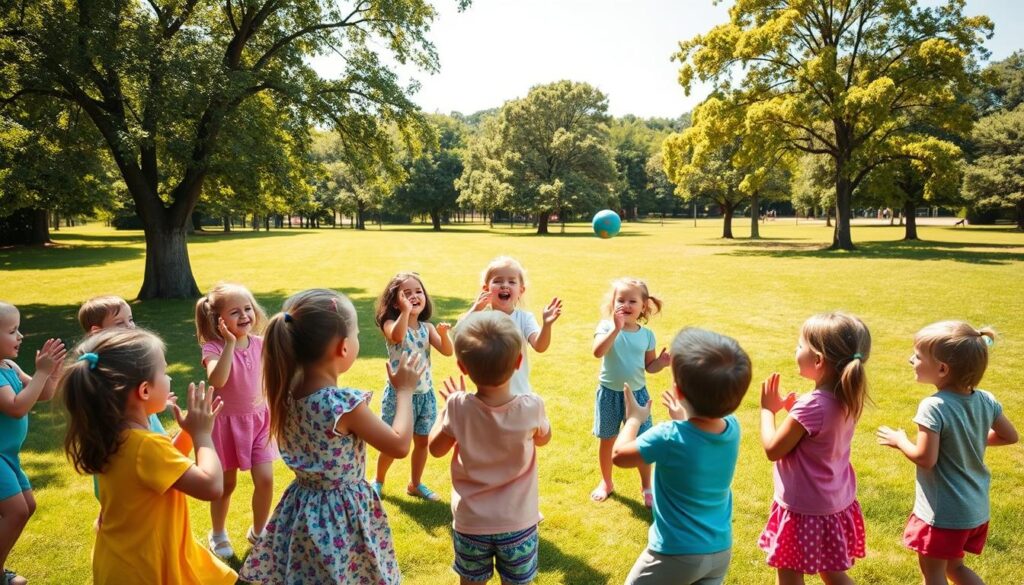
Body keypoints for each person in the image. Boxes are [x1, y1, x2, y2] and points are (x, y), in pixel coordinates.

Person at [240, 289, 424, 585]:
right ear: (343, 347)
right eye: (356, 334)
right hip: (341, 517)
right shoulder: (343, 407)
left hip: (302, 509)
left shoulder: (285, 391)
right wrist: (404, 390)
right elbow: (400, 444)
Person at [61, 328, 235, 585]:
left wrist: (186, 433)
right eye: (163, 372)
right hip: (146, 569)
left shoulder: (114, 435)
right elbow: (211, 486)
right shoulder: (145, 445)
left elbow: (163, 470)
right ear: (144, 390)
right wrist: (202, 435)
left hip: (120, 561)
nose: (169, 378)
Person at [877, 321, 1018, 585]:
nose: (911, 360)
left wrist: (900, 441)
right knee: (956, 569)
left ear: (942, 369)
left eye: (918, 356)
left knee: (933, 575)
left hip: (943, 514)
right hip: (974, 510)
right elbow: (1010, 436)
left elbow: (925, 458)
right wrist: (967, 441)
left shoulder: (934, 406)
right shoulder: (986, 399)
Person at [612, 327, 751, 585]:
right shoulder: (732, 427)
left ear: (678, 392)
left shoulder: (668, 436)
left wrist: (633, 419)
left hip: (674, 554)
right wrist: (684, 417)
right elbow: (698, 439)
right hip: (719, 550)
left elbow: (620, 456)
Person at [428, 311, 551, 585]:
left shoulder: (457, 406)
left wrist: (446, 409)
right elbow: (544, 438)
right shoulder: (532, 406)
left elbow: (436, 449)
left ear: (462, 367)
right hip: (518, 521)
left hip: (471, 522)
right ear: (519, 362)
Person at [759, 312, 871, 584]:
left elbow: (773, 449)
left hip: (803, 508)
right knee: (831, 570)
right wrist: (793, 411)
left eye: (800, 346)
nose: (795, 350)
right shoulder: (848, 395)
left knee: (789, 572)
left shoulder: (811, 406)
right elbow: (819, 435)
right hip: (833, 502)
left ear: (818, 360)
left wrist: (768, 411)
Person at [195, 282, 277, 557]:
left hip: (259, 422)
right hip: (226, 425)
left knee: (265, 479)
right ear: (218, 320)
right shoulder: (213, 347)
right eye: (235, 312)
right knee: (225, 484)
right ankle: (217, 532)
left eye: (248, 308)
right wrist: (230, 343)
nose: (244, 316)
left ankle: (259, 530)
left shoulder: (261, 344)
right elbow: (217, 379)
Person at [0, 302, 65, 585]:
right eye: (13, 331)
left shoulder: (10, 366)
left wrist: (53, 373)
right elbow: (16, 407)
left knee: (28, 505)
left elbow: (43, 394)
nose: (21, 336)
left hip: (9, 455)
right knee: (17, 511)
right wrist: (40, 373)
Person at [372, 272, 453, 500]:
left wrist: (444, 335)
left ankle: (415, 484)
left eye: (418, 291)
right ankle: (378, 480)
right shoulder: (391, 324)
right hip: (399, 397)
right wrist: (406, 313)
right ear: (395, 302)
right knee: (391, 443)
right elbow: (397, 337)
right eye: (406, 294)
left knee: (422, 442)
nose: (414, 296)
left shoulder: (427, 328)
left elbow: (447, 351)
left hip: (425, 395)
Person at [590, 278, 670, 507]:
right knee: (607, 440)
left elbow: (649, 366)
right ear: (613, 303)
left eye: (632, 301)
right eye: (620, 300)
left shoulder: (647, 335)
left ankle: (647, 486)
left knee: (643, 442)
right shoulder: (606, 327)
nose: (625, 304)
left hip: (638, 395)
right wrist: (616, 328)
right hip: (609, 393)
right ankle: (606, 482)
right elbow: (598, 352)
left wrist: (661, 363)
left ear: (643, 306)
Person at [464, 256, 562, 396]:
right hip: (488, 398)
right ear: (486, 288)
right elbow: (457, 334)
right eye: (498, 281)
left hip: (519, 395)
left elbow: (540, 346)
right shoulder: (481, 319)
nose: (505, 285)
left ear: (521, 290)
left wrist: (547, 325)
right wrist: (475, 309)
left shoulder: (524, 318)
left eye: (512, 281)